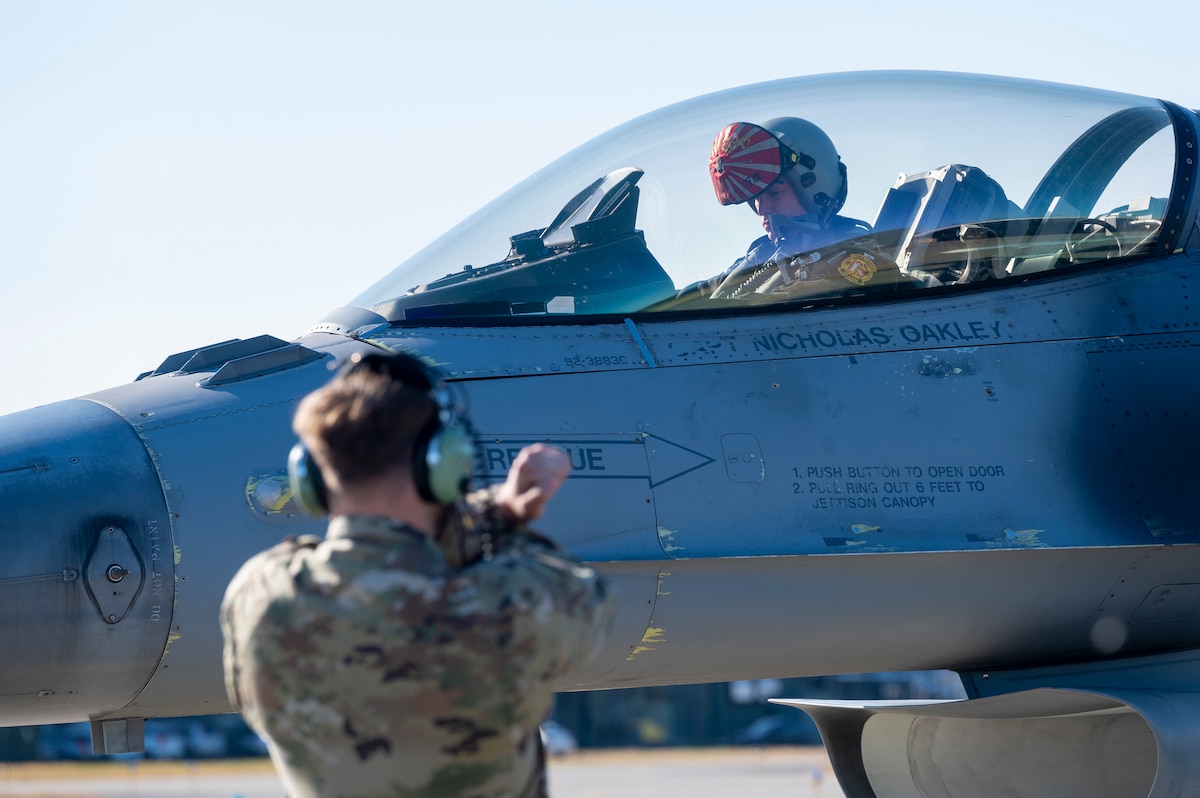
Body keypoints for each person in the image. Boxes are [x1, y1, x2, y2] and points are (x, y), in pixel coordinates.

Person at [220, 349, 616, 798]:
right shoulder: (512, 609)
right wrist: (505, 515)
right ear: (443, 467)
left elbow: (361, 560)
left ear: (310, 476)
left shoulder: (263, 595)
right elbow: (585, 597)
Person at [703, 116, 889, 299]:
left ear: (817, 189)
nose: (763, 209)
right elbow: (701, 295)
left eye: (775, 193)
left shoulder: (854, 259)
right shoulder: (762, 256)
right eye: (756, 198)